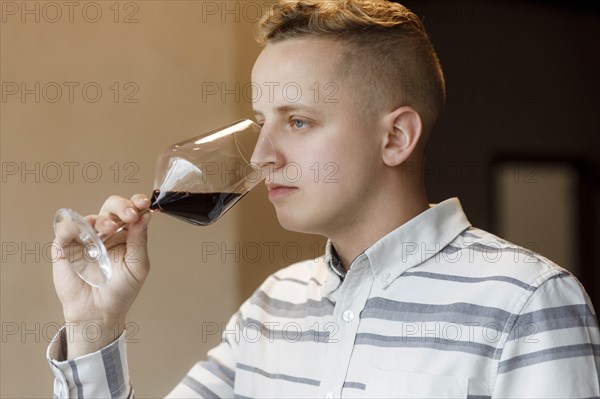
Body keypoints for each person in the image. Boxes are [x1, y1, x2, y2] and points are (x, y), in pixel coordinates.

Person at [47, 0, 599, 397]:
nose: (262, 154)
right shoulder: (271, 305)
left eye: (300, 121)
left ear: (396, 138)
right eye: (263, 123)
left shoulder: (528, 303)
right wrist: (96, 323)